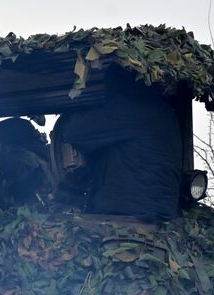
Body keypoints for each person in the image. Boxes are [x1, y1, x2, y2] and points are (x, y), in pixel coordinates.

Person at [50, 70, 182, 221]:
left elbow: (74, 131)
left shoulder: (133, 108)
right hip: (150, 213)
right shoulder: (159, 110)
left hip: (128, 216)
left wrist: (78, 105)